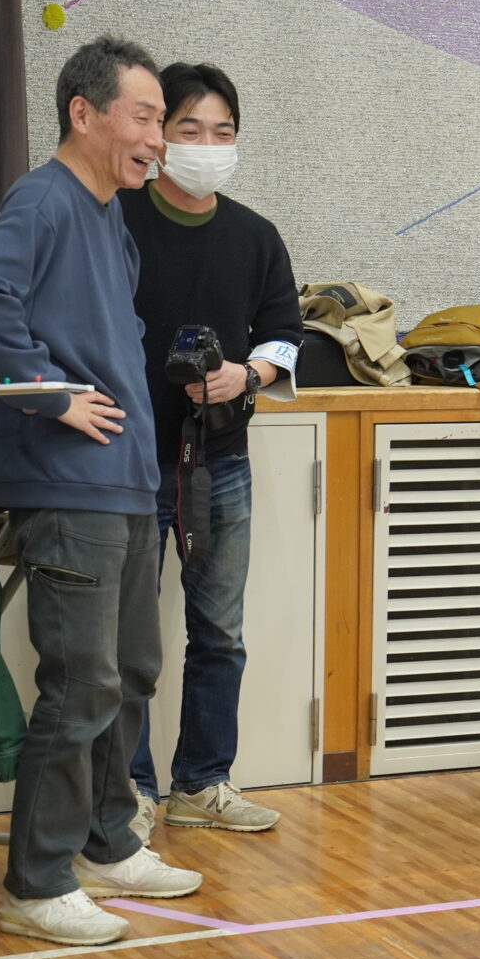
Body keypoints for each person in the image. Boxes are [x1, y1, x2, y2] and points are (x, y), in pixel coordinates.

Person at [0, 35, 201, 947]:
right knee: (81, 683)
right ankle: (37, 881)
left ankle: (107, 839)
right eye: (145, 117)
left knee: (129, 673)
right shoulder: (43, 200)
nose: (158, 139)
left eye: (161, 122)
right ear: (83, 114)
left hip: (122, 483)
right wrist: (49, 393)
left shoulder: (109, 218)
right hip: (68, 484)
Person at [120, 62, 302, 842]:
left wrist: (245, 375)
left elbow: (286, 336)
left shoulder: (255, 236)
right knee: (125, 637)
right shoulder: (116, 220)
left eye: (222, 132)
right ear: (159, 136)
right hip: (127, 459)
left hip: (220, 458)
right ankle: (129, 789)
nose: (207, 144)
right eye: (189, 128)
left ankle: (203, 780)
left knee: (219, 629)